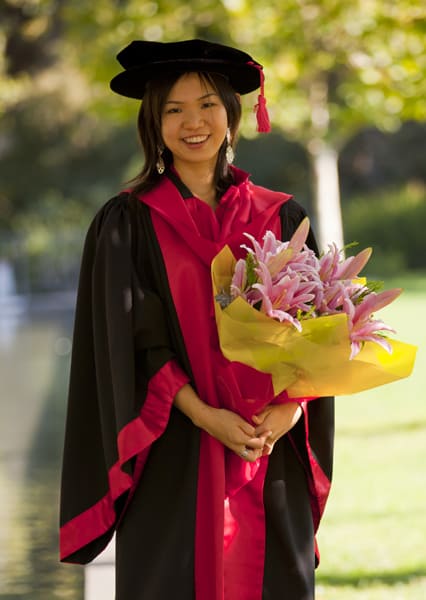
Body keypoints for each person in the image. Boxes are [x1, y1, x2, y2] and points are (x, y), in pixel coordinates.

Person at [59, 39, 334, 600]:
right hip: (175, 451)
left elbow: (318, 329)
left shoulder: (282, 216)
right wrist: (205, 415)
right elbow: (133, 343)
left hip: (267, 448)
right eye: (173, 109)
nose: (193, 122)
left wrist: (287, 412)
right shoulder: (127, 223)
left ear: (232, 115)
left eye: (207, 104)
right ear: (153, 124)